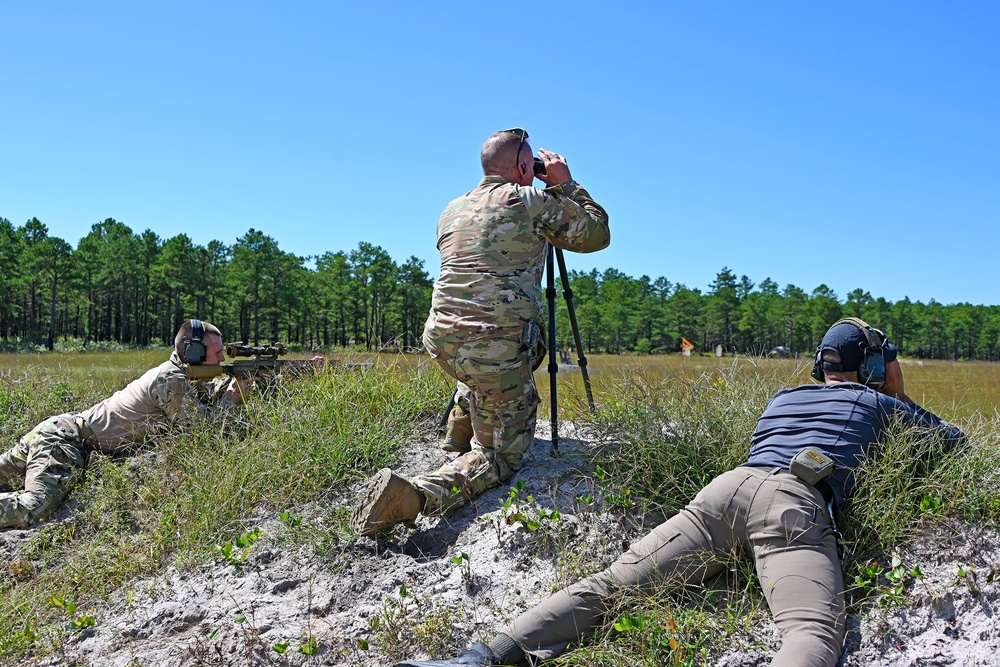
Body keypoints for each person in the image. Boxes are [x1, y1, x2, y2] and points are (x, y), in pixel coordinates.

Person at [393, 317, 966, 667]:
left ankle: (481, 656)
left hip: (725, 490)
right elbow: (952, 443)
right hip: (793, 502)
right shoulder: (877, 402)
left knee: (614, 583)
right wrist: (894, 386)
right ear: (870, 366)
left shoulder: (783, 400)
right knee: (813, 631)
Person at [352, 128, 610, 536]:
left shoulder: (452, 209)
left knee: (481, 363)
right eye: (533, 167)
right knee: (500, 459)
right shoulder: (528, 201)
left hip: (441, 341)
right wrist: (566, 185)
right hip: (494, 347)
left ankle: (457, 437)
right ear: (525, 168)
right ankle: (414, 497)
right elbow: (596, 234)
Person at [0, 319, 252, 529]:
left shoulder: (182, 374)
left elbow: (203, 396)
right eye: (217, 353)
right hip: (66, 441)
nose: (221, 358)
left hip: (58, 431)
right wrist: (232, 399)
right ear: (194, 352)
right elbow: (203, 431)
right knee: (34, 509)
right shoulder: (170, 379)